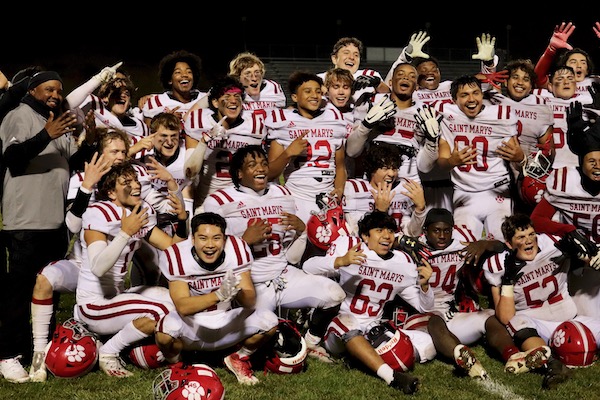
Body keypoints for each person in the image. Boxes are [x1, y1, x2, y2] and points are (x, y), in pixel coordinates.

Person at [203, 144, 345, 362]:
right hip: (251, 283)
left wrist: (301, 230)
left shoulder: (283, 193)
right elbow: (208, 252)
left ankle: (312, 342)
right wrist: (244, 242)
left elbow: (291, 251)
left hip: (282, 274)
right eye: (252, 165)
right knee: (267, 334)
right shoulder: (219, 201)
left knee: (334, 294)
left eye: (263, 163)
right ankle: (243, 354)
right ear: (239, 174)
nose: (260, 168)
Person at [0, 70, 80, 383]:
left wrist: (89, 140)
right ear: (32, 90)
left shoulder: (57, 123)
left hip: (54, 223)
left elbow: (75, 160)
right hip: (25, 222)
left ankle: (40, 349)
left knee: (47, 292)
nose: (56, 95)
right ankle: (7, 355)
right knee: (18, 293)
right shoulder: (19, 115)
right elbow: (14, 158)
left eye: (60, 91)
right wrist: (47, 133)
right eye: (49, 89)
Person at [74, 161, 189, 378]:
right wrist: (125, 233)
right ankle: (110, 352)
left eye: (135, 179)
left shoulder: (138, 212)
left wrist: (182, 220)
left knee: (178, 302)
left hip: (117, 298)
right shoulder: (99, 211)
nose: (135, 185)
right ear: (111, 192)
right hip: (93, 306)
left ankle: (131, 346)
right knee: (160, 312)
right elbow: (98, 268)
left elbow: (173, 248)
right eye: (126, 182)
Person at [302, 211, 436, 394]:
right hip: (338, 328)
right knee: (347, 323)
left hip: (373, 329)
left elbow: (424, 307)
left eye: (390, 230)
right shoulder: (350, 246)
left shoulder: (403, 262)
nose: (386, 236)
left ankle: (360, 359)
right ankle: (391, 377)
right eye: (379, 230)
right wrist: (341, 261)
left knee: (427, 345)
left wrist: (426, 286)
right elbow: (308, 267)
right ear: (365, 235)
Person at [413, 208, 550, 379]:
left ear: (453, 230)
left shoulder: (461, 240)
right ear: (425, 231)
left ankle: (513, 356)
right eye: (436, 231)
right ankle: (463, 359)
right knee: (435, 321)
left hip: (452, 312)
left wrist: (484, 244)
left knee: (490, 317)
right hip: (422, 314)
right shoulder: (413, 248)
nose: (442, 236)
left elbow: (501, 246)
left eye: (446, 230)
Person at [155, 212, 280, 385]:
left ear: (225, 239)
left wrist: (237, 291)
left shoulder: (236, 248)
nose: (210, 245)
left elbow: (250, 301)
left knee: (269, 320)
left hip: (226, 322)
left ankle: (238, 358)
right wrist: (218, 295)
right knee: (164, 331)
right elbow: (182, 306)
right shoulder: (176, 255)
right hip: (192, 325)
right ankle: (178, 365)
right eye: (203, 238)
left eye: (216, 238)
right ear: (192, 239)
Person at [482, 214, 600, 389]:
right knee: (515, 322)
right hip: (535, 323)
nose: (529, 241)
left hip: (568, 315)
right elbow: (505, 317)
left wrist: (586, 257)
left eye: (531, 234)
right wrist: (507, 281)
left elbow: (589, 256)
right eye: (521, 237)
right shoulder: (497, 265)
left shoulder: (553, 244)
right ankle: (553, 365)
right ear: (509, 243)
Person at [422, 75, 520, 240]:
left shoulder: (501, 114)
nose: (471, 98)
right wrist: (453, 161)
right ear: (454, 100)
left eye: (475, 93)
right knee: (461, 248)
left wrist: (520, 157)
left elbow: (515, 157)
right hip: (464, 193)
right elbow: (443, 162)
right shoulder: (444, 114)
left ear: (482, 95)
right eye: (464, 95)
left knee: (502, 244)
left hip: (497, 192)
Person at [531, 110, 600, 318]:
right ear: (581, 163)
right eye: (592, 162)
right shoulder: (564, 181)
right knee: (587, 317)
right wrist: (569, 232)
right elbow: (536, 220)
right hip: (579, 257)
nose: (598, 167)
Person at [265, 71, 350, 222]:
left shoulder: (334, 119)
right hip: (297, 196)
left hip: (327, 196)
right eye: (308, 91)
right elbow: (270, 174)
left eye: (318, 91)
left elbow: (340, 166)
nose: (314, 95)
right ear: (295, 97)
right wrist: (288, 153)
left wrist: (339, 189)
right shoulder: (283, 121)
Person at [183, 76, 267, 212]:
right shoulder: (198, 121)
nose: (233, 100)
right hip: (207, 198)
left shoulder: (255, 125)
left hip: (242, 199)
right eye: (227, 96)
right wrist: (205, 141)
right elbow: (189, 173)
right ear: (215, 102)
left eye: (237, 96)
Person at [483, 58, 555, 213]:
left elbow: (549, 153)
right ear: (506, 81)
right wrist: (488, 65)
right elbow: (473, 87)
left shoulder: (541, 108)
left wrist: (524, 160)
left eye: (526, 79)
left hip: (526, 175)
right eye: (515, 77)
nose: (520, 82)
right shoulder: (494, 101)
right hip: (493, 172)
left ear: (531, 86)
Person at [342, 142, 427, 236]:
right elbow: (357, 233)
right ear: (372, 170)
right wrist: (379, 213)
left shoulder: (405, 188)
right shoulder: (355, 189)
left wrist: (420, 209)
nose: (391, 174)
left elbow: (412, 233)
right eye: (385, 168)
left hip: (397, 247)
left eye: (394, 168)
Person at [141, 50, 206, 126]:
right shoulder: (154, 102)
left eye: (189, 72)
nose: (184, 75)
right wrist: (166, 120)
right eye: (178, 72)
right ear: (169, 80)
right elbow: (149, 134)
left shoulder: (206, 99)